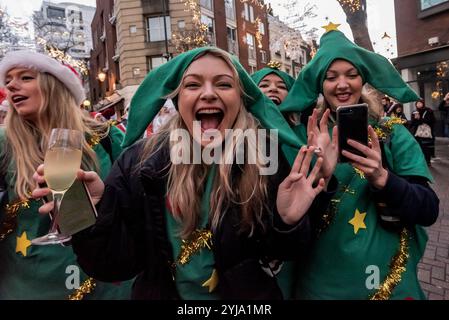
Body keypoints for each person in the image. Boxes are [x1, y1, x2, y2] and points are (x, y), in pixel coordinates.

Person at [33, 47, 337, 299]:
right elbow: (112, 266)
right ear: (178, 100)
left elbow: (285, 252)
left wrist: (288, 222)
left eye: (223, 84)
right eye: (193, 85)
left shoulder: (263, 159)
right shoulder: (139, 163)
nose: (208, 94)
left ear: (240, 98)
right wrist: (90, 213)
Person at [281, 30, 439, 299]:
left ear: (362, 80)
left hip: (391, 286)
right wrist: (324, 176)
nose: (342, 84)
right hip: (320, 289)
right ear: (321, 85)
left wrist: (383, 178)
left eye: (351, 75)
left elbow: (428, 210)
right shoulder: (301, 139)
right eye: (331, 77)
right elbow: (288, 227)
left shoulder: (393, 134)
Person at [0, 50, 132, 299]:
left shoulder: (105, 137)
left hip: (106, 286)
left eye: (25, 77)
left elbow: (136, 203)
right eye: (8, 80)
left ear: (55, 85)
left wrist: (103, 201)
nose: (11, 85)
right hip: (30, 287)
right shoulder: (4, 144)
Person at [411, 99, 435, 165]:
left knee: (426, 147)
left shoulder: (428, 111)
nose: (419, 104)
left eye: (420, 103)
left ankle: (428, 161)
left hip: (426, 133)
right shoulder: (414, 112)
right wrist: (416, 119)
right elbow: (413, 123)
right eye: (417, 103)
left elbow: (432, 121)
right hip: (417, 133)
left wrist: (420, 119)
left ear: (423, 103)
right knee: (419, 147)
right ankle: (421, 161)